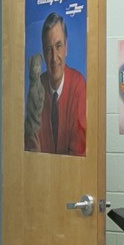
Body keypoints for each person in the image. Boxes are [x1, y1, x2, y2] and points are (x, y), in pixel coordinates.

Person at [34, 11, 86, 156]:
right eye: (49, 49)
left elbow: (78, 152)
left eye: (58, 46)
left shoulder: (79, 86)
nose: (54, 57)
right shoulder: (37, 88)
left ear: (66, 48)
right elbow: (32, 145)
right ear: (44, 54)